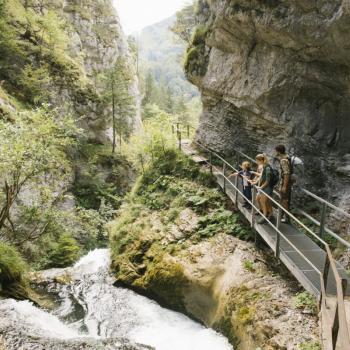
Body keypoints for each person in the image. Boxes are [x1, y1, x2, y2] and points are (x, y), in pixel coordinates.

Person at [251, 154, 274, 224]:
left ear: (261, 160)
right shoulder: (264, 166)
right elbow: (261, 177)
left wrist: (261, 187)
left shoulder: (267, 168)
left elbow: (267, 180)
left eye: (257, 160)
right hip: (264, 187)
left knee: (263, 201)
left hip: (267, 188)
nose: (256, 162)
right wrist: (255, 181)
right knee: (263, 200)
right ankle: (269, 214)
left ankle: (265, 216)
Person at [274, 144, 292, 223]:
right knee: (283, 199)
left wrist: (284, 186)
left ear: (278, 151)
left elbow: (286, 173)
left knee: (284, 200)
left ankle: (287, 218)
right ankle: (281, 215)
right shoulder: (287, 157)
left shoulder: (283, 160)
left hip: (285, 184)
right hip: (286, 183)